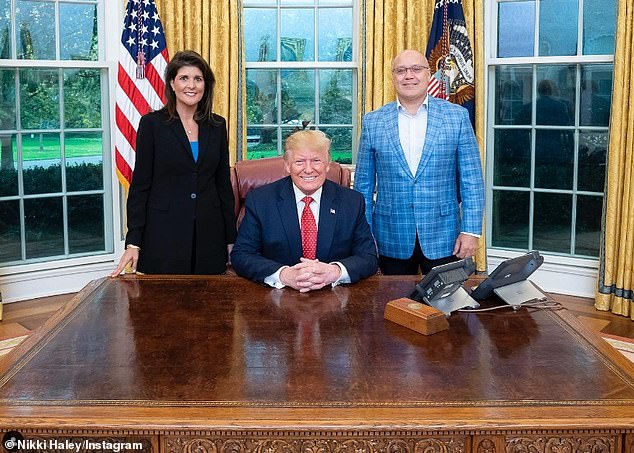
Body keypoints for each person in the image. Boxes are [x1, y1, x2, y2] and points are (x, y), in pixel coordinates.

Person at [354, 49, 484, 275]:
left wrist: (471, 231)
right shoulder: (373, 122)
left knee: (447, 307)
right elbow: (363, 185)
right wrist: (365, 236)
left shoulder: (457, 117)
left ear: (428, 74)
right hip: (390, 234)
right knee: (395, 306)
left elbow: (471, 180)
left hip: (445, 235)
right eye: (401, 70)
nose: (409, 76)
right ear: (393, 77)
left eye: (416, 69)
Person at [111, 50, 236, 276]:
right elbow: (140, 186)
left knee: (211, 308)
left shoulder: (217, 125)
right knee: (163, 308)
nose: (192, 85)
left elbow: (223, 186)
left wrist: (230, 238)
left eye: (198, 79)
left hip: (209, 234)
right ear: (172, 83)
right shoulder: (152, 125)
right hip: (163, 235)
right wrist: (133, 242)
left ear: (205, 85)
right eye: (184, 78)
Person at [231, 130, 378, 292]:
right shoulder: (260, 200)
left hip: (334, 296)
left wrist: (334, 272)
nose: (308, 170)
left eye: (316, 161)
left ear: (328, 164)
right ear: (287, 165)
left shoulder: (352, 201)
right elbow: (242, 255)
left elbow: (368, 257)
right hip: (277, 297)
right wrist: (283, 275)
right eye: (300, 162)